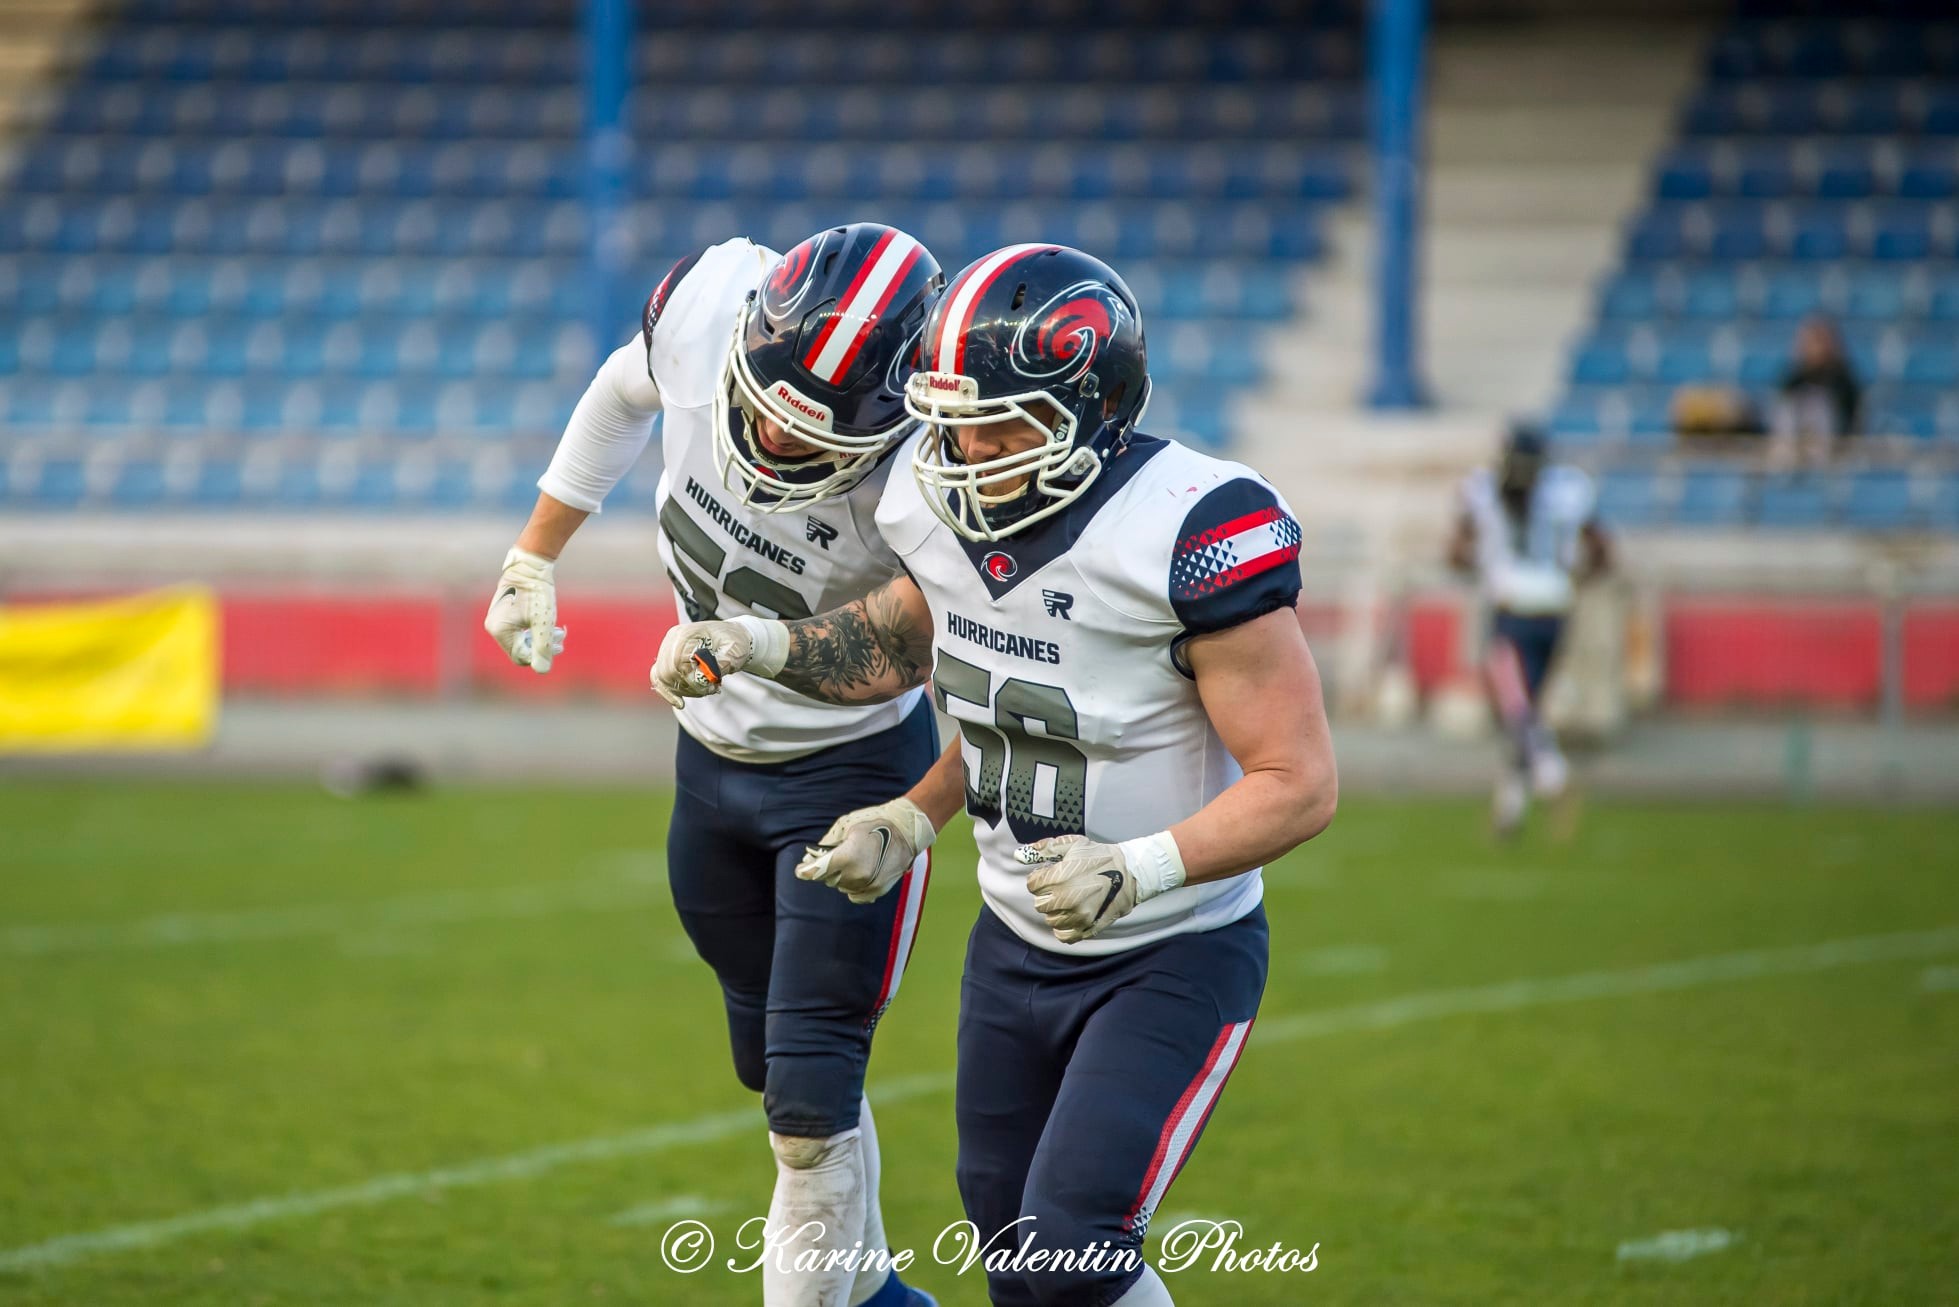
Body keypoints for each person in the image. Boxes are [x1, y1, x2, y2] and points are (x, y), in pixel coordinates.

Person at [652, 244, 1339, 1307]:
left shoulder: (1186, 531)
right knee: (1019, 1263)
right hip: (1014, 942)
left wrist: (1140, 867)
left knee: (1072, 1247)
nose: (965, 450)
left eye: (1002, 425)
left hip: (1170, 948)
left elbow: (1299, 779)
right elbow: (927, 665)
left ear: (1091, 412)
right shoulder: (936, 508)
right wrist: (892, 792)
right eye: (952, 417)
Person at [483, 223, 944, 1307]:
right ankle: (874, 1296)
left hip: (848, 776)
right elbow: (619, 387)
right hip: (709, 766)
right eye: (766, 409)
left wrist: (754, 643)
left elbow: (912, 645)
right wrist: (531, 552)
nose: (777, 447)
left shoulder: (929, 473)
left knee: (808, 1100)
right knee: (778, 1075)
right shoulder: (705, 310)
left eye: (813, 436)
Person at [1447, 423, 1610, 838]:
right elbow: (1603, 551)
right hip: (1555, 609)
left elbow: (1456, 551)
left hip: (1513, 612)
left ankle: (1551, 774)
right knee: (1526, 705)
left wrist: (1481, 565)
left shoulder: (1485, 490)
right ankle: (1510, 808)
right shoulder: (1567, 489)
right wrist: (1572, 580)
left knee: (1516, 711)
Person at [1770, 316, 1862, 469]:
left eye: (1819, 341)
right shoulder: (1792, 381)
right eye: (1809, 341)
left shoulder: (1844, 383)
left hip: (1835, 457)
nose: (1813, 348)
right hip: (1792, 455)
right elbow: (1781, 418)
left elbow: (1852, 425)